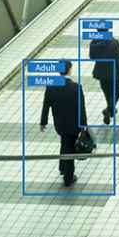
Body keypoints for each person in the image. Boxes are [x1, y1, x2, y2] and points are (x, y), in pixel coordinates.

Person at [39, 60, 88, 188]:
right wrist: (84, 125)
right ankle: (68, 177)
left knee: (65, 143)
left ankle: (62, 167)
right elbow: (81, 108)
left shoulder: (51, 86)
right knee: (69, 148)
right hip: (74, 125)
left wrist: (43, 122)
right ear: (69, 70)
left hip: (60, 125)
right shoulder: (76, 87)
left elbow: (46, 105)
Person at [89, 35, 119, 125]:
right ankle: (109, 110)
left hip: (101, 73)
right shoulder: (114, 42)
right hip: (113, 72)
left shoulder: (94, 42)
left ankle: (111, 110)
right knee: (117, 91)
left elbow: (92, 56)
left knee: (107, 92)